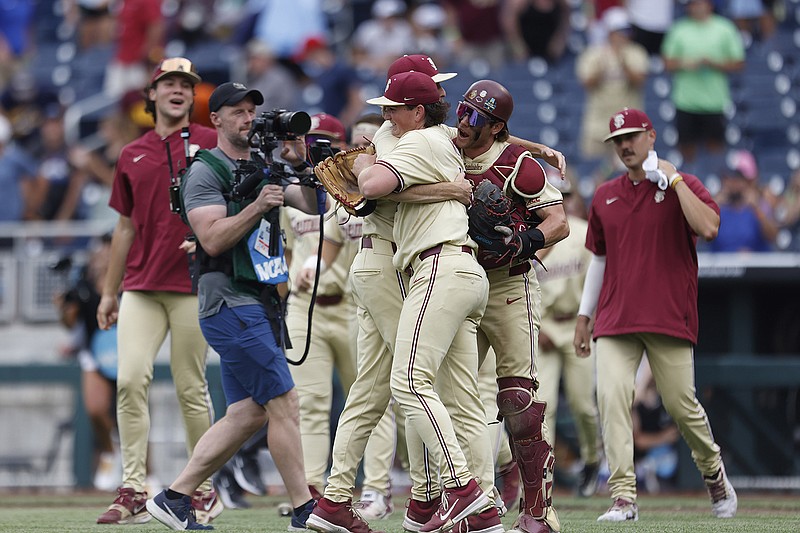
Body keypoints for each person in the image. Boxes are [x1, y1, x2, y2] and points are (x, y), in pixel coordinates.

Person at [146, 81, 320, 531]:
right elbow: (211, 237)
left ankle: (175, 497)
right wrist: (257, 204)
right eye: (238, 111)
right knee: (284, 401)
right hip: (228, 300)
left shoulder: (266, 165)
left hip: (258, 300)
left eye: (252, 111)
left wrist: (300, 164)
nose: (248, 119)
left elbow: (313, 207)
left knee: (248, 412)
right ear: (216, 120)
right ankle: (305, 510)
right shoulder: (205, 170)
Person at [573, 107, 737, 522]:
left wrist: (676, 179)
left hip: (667, 314)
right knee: (610, 397)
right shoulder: (605, 195)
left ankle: (713, 471)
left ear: (650, 136)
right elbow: (599, 259)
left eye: (631, 136)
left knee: (681, 405)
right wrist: (583, 315)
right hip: (615, 317)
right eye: (617, 140)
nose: (625, 145)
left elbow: (710, 227)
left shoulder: (684, 184)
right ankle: (624, 496)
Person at [356, 70, 494, 533]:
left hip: (438, 267)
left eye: (394, 108)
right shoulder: (442, 139)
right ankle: (486, 511)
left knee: (410, 383)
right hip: (464, 270)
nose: (386, 115)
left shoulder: (415, 141)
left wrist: (362, 161)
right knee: (462, 400)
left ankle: (462, 489)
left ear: (418, 110)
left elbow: (371, 187)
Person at [95, 57, 220, 526]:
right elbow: (123, 229)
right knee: (129, 381)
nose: (178, 90)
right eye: (169, 83)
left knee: (191, 388)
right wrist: (109, 292)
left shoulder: (211, 142)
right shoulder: (132, 153)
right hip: (142, 286)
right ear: (152, 94)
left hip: (192, 283)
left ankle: (201, 490)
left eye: (186, 85)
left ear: (192, 96)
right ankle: (132, 487)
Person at [456, 79, 568, 533]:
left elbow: (557, 222)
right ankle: (465, 502)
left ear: (496, 126)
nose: (463, 122)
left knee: (519, 402)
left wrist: (526, 240)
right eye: (461, 111)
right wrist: (539, 144)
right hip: (457, 283)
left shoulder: (519, 167)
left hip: (508, 285)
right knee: (454, 399)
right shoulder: (446, 145)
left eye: (474, 117)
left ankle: (538, 511)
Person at [532, 174, 600, 499]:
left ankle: (591, 459)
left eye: (567, 194)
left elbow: (598, 286)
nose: (563, 200)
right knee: (543, 407)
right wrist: (538, 326)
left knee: (584, 404)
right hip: (543, 325)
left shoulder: (585, 233)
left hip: (576, 323)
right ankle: (541, 478)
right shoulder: (534, 236)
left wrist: (587, 322)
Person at [661, 0, 744, 163]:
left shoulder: (725, 28)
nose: (696, 7)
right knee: (686, 149)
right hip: (685, 102)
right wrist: (686, 63)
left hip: (714, 102)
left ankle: (715, 182)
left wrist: (713, 64)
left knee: (716, 150)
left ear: (709, 5)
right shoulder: (679, 29)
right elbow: (666, 62)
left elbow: (739, 63)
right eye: (692, 4)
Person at [576, 7, 649, 164]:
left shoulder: (636, 52)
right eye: (620, 31)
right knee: (593, 169)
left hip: (629, 125)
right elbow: (586, 83)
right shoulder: (594, 53)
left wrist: (624, 64)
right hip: (597, 123)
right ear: (610, 32)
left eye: (626, 31)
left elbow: (640, 81)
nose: (624, 35)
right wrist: (601, 69)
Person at [709, 165, 777, 252]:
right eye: (729, 180)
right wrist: (713, 206)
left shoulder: (755, 207)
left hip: (753, 262)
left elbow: (773, 236)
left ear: (745, 183)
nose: (733, 185)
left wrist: (756, 207)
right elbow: (700, 238)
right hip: (722, 263)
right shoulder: (718, 209)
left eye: (736, 180)